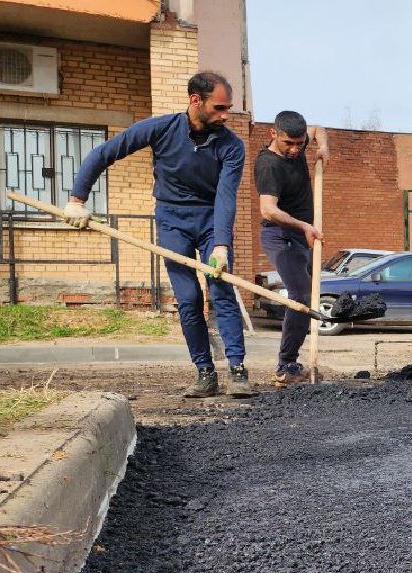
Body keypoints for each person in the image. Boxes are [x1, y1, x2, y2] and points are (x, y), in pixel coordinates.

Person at [64, 72, 251, 398]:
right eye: (219, 108)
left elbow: (226, 196)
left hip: (211, 222)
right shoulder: (161, 128)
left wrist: (221, 244)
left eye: (228, 108)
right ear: (196, 100)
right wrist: (77, 200)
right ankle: (205, 373)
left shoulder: (231, 145)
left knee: (221, 289)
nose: (225, 116)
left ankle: (237, 370)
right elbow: (102, 154)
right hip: (172, 222)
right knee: (188, 299)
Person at [255, 111, 330, 386]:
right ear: (273, 134)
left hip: (303, 234)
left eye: (300, 144)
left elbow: (318, 129)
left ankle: (293, 363)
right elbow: (268, 210)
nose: (295, 150)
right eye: (289, 143)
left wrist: (323, 147)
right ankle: (286, 366)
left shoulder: (298, 143)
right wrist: (303, 226)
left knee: (308, 295)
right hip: (280, 235)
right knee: (300, 294)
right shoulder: (269, 165)